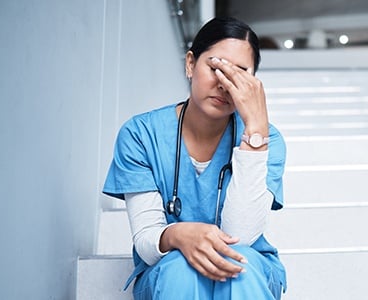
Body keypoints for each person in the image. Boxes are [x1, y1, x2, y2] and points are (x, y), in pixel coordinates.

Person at [102, 17, 286, 299]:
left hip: (247, 272)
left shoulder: (267, 140)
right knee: (180, 268)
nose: (225, 83)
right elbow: (147, 241)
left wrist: (255, 133)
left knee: (239, 265)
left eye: (239, 74)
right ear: (190, 64)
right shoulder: (141, 135)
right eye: (216, 67)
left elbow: (241, 235)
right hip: (169, 273)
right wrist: (178, 235)